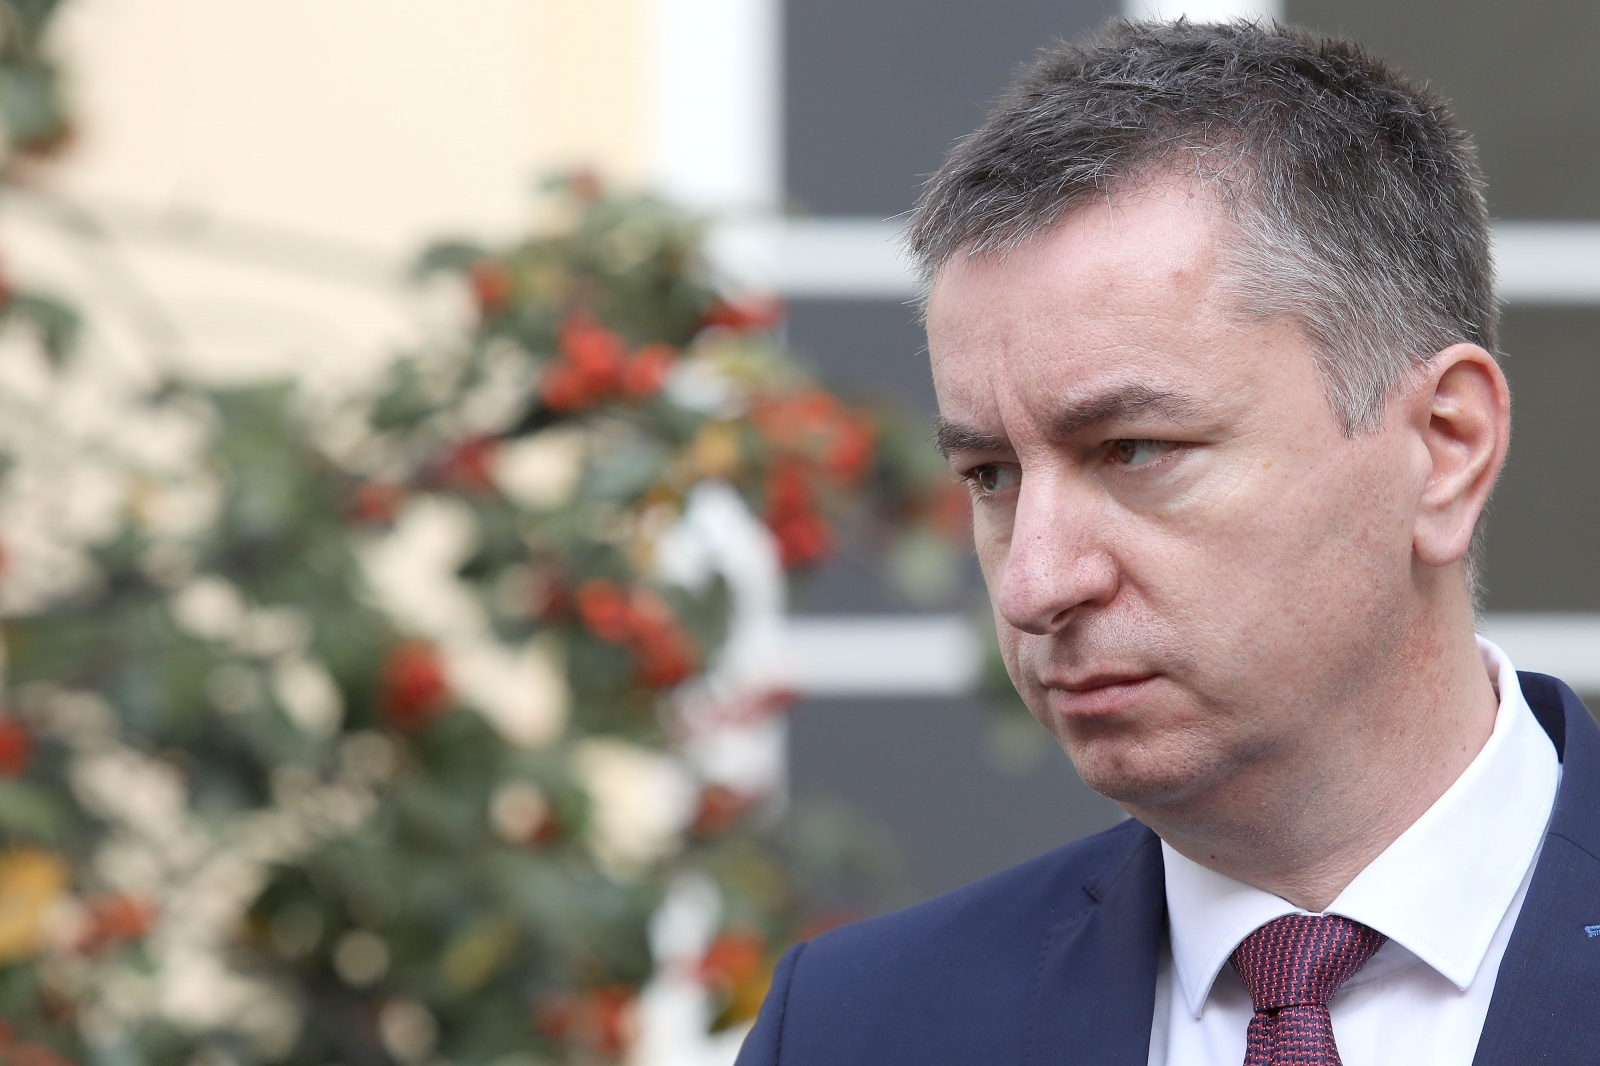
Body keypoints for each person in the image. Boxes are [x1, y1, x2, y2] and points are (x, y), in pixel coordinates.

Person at [735, 19, 1600, 1066]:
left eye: (1134, 449)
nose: (1034, 583)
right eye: (991, 474)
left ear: (1444, 447)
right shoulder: (856, 1028)